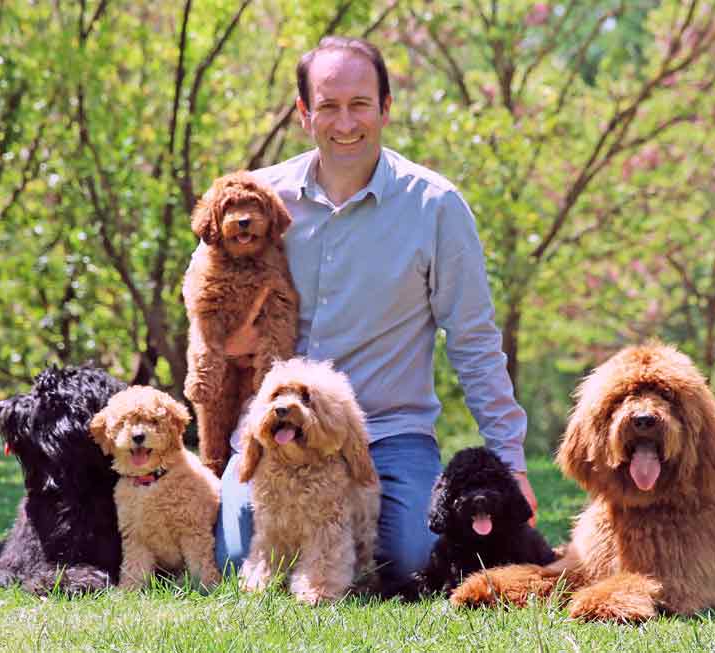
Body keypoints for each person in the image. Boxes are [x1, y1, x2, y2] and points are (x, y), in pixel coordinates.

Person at [212, 36, 536, 588]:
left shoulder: (435, 206)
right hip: (279, 430)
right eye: (329, 106)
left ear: (386, 108)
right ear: (303, 112)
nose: (345, 123)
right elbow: (202, 296)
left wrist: (512, 461)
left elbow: (475, 342)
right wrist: (231, 342)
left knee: (411, 561)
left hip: (389, 431)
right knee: (236, 557)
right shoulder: (259, 199)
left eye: (360, 104)